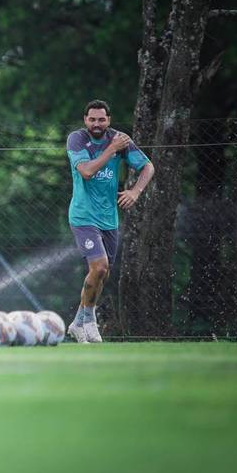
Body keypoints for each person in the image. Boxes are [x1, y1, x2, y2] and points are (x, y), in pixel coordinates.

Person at [65, 99, 155, 343]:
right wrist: (111, 150)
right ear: (85, 120)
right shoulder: (77, 139)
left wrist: (135, 191)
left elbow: (148, 167)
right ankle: (87, 321)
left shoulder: (119, 139)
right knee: (100, 266)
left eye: (101, 119)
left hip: (109, 219)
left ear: (109, 120)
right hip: (83, 216)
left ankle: (81, 321)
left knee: (102, 275)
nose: (96, 123)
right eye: (92, 119)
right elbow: (86, 171)